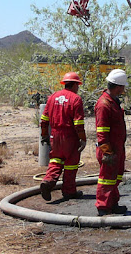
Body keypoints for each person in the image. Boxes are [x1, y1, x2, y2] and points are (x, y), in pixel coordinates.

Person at [40, 71, 87, 201]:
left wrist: (44, 135)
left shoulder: (53, 97)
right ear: (75, 85)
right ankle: (69, 191)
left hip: (54, 135)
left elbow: (44, 119)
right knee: (71, 164)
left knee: (55, 160)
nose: (78, 88)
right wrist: (83, 139)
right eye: (78, 85)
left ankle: (48, 182)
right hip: (70, 136)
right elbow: (78, 123)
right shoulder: (76, 99)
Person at [95, 68, 129, 216]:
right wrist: (107, 152)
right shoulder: (104, 104)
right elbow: (101, 131)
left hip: (117, 147)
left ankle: (113, 204)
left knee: (115, 177)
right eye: (123, 86)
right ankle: (103, 207)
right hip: (109, 149)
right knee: (107, 179)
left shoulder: (113, 101)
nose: (124, 89)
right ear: (119, 86)